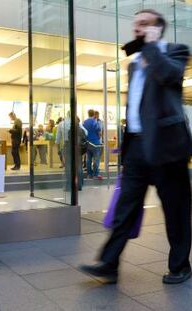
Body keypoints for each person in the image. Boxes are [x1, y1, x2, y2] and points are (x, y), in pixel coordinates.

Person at [80, 9, 192, 285]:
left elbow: (169, 77)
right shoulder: (133, 63)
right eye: (135, 24)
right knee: (125, 208)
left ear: (157, 28)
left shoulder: (175, 51)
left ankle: (180, 265)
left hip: (169, 148)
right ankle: (109, 264)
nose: (137, 28)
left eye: (144, 24)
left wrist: (153, 48)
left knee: (175, 211)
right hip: (138, 149)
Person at [83, 109, 103, 180]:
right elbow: (99, 133)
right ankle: (96, 174)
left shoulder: (84, 122)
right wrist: (98, 138)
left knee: (88, 159)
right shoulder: (95, 122)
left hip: (88, 143)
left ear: (88, 114)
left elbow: (83, 133)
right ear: (94, 114)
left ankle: (89, 174)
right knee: (96, 159)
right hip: (95, 143)